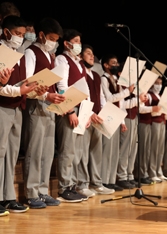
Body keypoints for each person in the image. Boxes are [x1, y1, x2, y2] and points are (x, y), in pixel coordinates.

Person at [0, 15, 41, 215]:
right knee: (0, 153)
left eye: (23, 35)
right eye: (17, 34)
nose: (20, 38)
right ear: (6, 32)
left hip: (17, 107)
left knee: (11, 154)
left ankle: (8, 197)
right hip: (2, 106)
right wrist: (17, 90)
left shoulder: (18, 54)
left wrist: (34, 90)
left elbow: (19, 85)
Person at [22, 17, 65, 209]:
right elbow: (28, 83)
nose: (53, 43)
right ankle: (31, 192)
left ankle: (42, 189)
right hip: (36, 104)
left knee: (47, 151)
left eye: (56, 40)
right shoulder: (31, 52)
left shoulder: (49, 56)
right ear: (41, 35)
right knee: (35, 150)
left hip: (49, 107)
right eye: (51, 38)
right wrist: (46, 95)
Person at [75, 44, 115, 197]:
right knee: (83, 151)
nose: (92, 56)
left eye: (93, 54)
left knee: (96, 152)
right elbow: (82, 96)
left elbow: (101, 97)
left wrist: (103, 112)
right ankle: (82, 184)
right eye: (88, 53)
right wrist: (90, 112)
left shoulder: (96, 76)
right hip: (85, 115)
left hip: (97, 117)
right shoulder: (80, 73)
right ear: (80, 56)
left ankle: (97, 183)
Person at [54, 28, 89, 202]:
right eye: (75, 41)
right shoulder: (62, 59)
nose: (78, 45)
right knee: (67, 151)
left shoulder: (79, 62)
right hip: (69, 111)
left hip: (81, 111)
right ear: (66, 43)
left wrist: (87, 113)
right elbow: (62, 86)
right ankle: (64, 188)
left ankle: (72, 185)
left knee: (76, 152)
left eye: (79, 41)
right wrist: (70, 111)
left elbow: (85, 89)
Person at [100, 55, 133, 191]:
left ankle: (111, 179)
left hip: (116, 116)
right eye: (113, 63)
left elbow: (120, 104)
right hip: (107, 115)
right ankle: (104, 180)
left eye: (117, 62)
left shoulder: (116, 80)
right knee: (107, 150)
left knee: (114, 151)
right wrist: (127, 92)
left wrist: (122, 120)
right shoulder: (104, 78)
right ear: (106, 65)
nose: (116, 65)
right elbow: (109, 98)